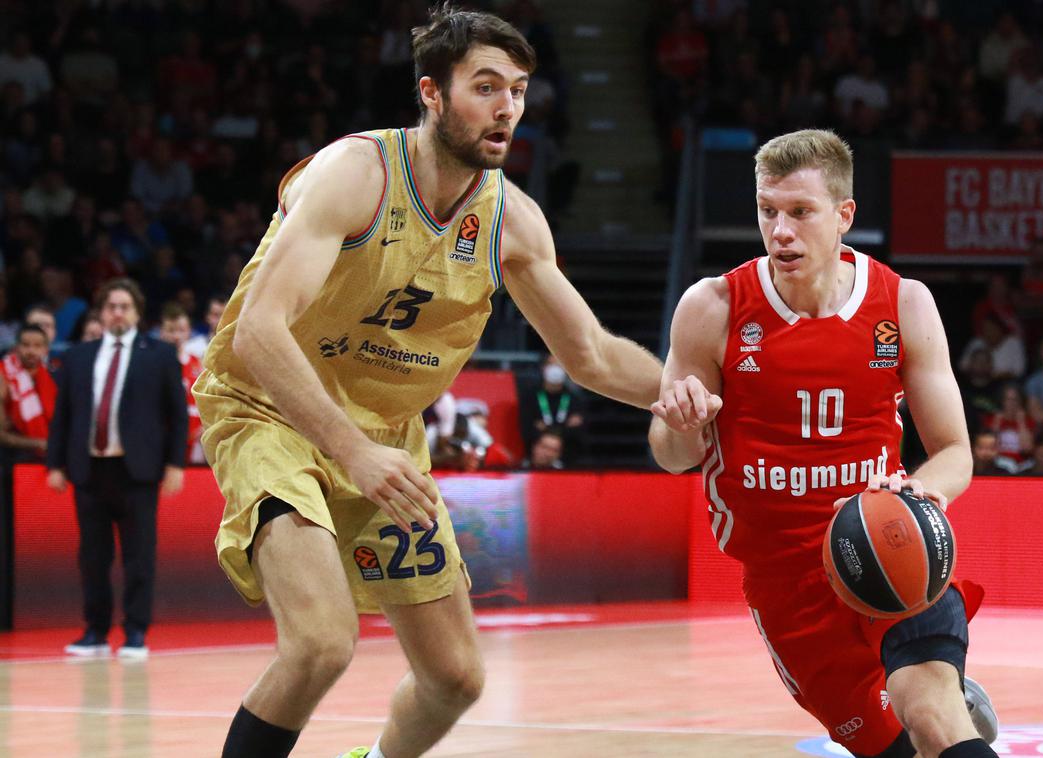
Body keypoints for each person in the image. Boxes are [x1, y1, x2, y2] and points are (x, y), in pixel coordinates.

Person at [191, 8, 662, 758]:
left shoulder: (513, 221)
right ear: (432, 95)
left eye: (517, 89)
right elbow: (257, 330)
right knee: (320, 644)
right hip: (270, 409)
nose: (507, 107)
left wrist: (700, 394)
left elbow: (594, 357)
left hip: (384, 438)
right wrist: (350, 451)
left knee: (455, 678)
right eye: (484, 87)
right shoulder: (357, 173)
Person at [649, 129, 997, 758]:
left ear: (844, 216)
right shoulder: (715, 306)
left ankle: (944, 698)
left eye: (800, 213)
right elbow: (672, 456)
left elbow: (955, 453)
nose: (780, 230)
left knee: (935, 718)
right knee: (897, 747)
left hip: (888, 544)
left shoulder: (904, 304)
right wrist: (679, 423)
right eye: (767, 211)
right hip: (786, 583)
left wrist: (923, 492)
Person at [46, 278, 188, 659]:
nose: (118, 313)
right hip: (89, 468)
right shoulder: (78, 355)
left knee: (139, 555)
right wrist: (55, 463)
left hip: (137, 470)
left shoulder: (158, 354)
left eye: (125, 306)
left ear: (138, 313)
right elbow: (64, 416)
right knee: (92, 556)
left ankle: (136, 632)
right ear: (102, 313)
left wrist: (176, 463)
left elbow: (177, 414)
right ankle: (94, 630)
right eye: (112, 306)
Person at [159, 302, 206, 464]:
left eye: (181, 330)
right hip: (162, 440)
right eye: (171, 330)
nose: (176, 336)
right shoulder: (154, 365)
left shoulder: (198, 365)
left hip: (196, 440)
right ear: (161, 332)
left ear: (188, 332)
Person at [0, 324, 57, 459]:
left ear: (46, 350)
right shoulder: (3, 375)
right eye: (25, 345)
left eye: (37, 346)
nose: (31, 351)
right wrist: (39, 443)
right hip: (11, 458)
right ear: (16, 347)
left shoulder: (55, 378)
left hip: (49, 458)